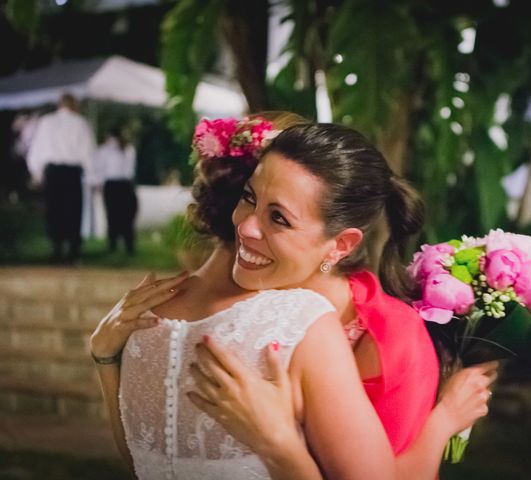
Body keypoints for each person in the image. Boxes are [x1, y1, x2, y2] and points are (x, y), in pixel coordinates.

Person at [90, 117, 495, 479]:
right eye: (249, 198)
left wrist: (106, 359)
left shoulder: (154, 315)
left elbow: (141, 462)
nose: (246, 227)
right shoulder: (305, 322)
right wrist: (279, 444)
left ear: (340, 244)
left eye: (278, 217)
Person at [27, 93, 95, 264]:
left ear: (59, 104)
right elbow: (88, 152)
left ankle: (57, 249)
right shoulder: (81, 123)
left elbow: (37, 149)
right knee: (73, 210)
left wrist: (36, 172)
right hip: (72, 172)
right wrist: (92, 176)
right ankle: (73, 251)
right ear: (74, 105)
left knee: (54, 209)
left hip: (53, 172)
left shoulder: (46, 122)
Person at [94, 127, 138, 254]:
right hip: (120, 184)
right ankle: (121, 245)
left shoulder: (125, 149)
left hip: (116, 184)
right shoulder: (123, 149)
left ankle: (117, 245)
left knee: (115, 216)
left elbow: (99, 169)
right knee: (123, 217)